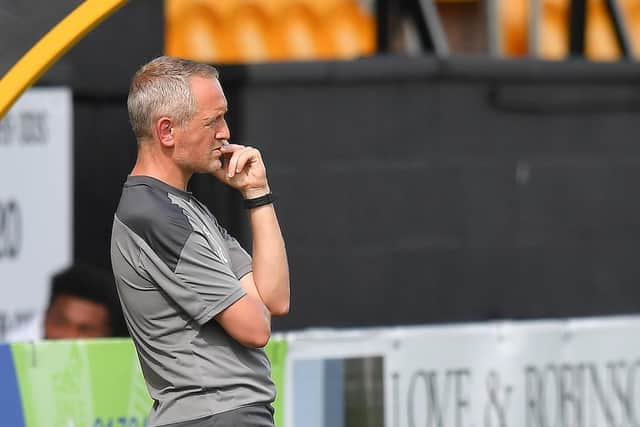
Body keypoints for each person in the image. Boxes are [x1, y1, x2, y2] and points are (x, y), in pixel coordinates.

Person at [110, 56, 290, 427]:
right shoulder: (156, 216)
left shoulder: (182, 208)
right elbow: (256, 328)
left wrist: (258, 193)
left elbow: (275, 298)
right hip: (215, 416)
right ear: (167, 132)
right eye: (214, 120)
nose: (225, 132)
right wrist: (252, 303)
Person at [5, 263, 125, 341]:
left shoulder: (134, 373)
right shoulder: (11, 362)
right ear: (45, 318)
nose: (70, 337)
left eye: (85, 329)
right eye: (61, 323)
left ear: (109, 334)